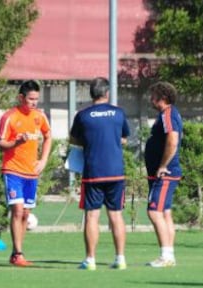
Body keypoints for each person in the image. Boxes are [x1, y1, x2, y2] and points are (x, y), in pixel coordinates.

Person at [69, 77, 130, 271]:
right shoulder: (119, 113)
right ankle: (120, 258)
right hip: (115, 172)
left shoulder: (83, 115)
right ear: (107, 93)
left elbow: (74, 140)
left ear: (91, 93)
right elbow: (123, 138)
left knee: (92, 217)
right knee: (116, 216)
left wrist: (90, 142)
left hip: (93, 172)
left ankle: (90, 260)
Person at [0, 80, 52, 267]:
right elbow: (0, 144)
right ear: (21, 97)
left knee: (26, 214)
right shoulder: (9, 117)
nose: (34, 103)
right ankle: (18, 253)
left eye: (37, 99)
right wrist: (17, 143)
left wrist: (43, 160)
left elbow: (48, 136)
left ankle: (16, 253)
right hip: (12, 170)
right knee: (17, 210)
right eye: (31, 99)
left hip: (31, 173)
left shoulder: (40, 117)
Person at [144, 81, 183, 268]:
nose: (151, 100)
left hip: (165, 173)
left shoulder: (168, 114)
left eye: (153, 96)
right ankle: (170, 255)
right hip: (161, 173)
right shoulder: (165, 115)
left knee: (154, 211)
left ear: (163, 98)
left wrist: (162, 165)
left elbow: (172, 141)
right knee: (165, 212)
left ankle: (166, 256)